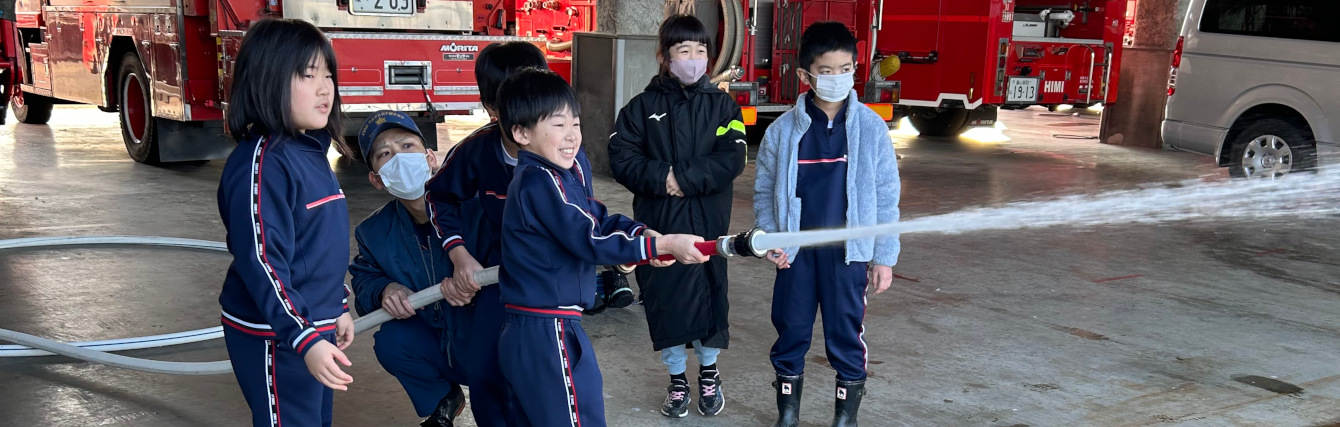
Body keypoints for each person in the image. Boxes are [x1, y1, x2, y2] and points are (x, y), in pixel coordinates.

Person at [492, 68, 710, 427]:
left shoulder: (561, 175)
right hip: (545, 328)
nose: (572, 135)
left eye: (576, 124)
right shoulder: (540, 181)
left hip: (554, 324)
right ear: (522, 133)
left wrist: (645, 236)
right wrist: (660, 244)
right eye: (558, 124)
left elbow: (597, 219)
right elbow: (588, 238)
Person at [424, 41, 608, 427]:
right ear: (494, 110)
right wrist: (459, 255)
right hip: (498, 275)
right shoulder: (476, 151)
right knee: (486, 370)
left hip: (548, 290)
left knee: (554, 383)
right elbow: (438, 196)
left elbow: (588, 223)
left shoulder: (569, 158)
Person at [752, 22, 901, 427]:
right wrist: (771, 239)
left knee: (845, 333)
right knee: (791, 330)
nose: (837, 78)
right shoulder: (782, 131)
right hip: (795, 255)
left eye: (845, 69)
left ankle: (845, 418)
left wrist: (883, 257)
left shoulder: (871, 128)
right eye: (827, 71)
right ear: (806, 75)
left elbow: (886, 196)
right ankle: (787, 414)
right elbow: (764, 192)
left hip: (847, 256)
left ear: (855, 69)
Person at [215, 18, 355, 427]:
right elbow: (263, 260)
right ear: (268, 79)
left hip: (311, 326)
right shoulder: (264, 163)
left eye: (328, 75)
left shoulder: (309, 150)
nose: (325, 88)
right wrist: (303, 336)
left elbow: (315, 247)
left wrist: (337, 305)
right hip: (277, 334)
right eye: (308, 75)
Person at [607, 14, 746, 418]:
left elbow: (733, 156)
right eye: (684, 51)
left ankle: (709, 372)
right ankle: (677, 379)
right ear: (665, 57)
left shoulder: (723, 106)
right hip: (660, 226)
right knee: (666, 301)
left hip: (708, 223)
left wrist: (681, 179)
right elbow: (621, 157)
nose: (694, 58)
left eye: (701, 50)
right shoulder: (640, 108)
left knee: (710, 298)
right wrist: (661, 178)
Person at [349, 110, 476, 427]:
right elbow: (364, 281)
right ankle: (443, 398)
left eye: (407, 146)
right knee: (392, 342)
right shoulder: (373, 232)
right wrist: (385, 290)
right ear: (377, 179)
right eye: (384, 154)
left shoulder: (474, 208)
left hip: (484, 336)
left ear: (430, 158)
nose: (399, 159)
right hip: (435, 341)